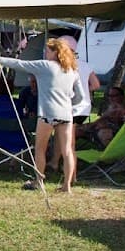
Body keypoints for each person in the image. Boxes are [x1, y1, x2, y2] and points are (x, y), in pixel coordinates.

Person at [0, 37, 84, 193]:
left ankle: (39, 181)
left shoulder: (45, 66)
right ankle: (67, 186)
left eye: (47, 51)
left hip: (47, 114)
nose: (45, 53)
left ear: (55, 52)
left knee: (39, 149)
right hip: (66, 115)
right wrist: (68, 101)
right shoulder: (72, 70)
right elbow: (79, 97)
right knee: (67, 150)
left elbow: (19, 64)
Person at [50, 35, 100, 173]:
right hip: (84, 108)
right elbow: (96, 85)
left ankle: (65, 168)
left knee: (65, 139)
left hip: (69, 107)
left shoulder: (63, 65)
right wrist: (85, 90)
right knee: (65, 136)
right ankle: (56, 162)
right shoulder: (85, 64)